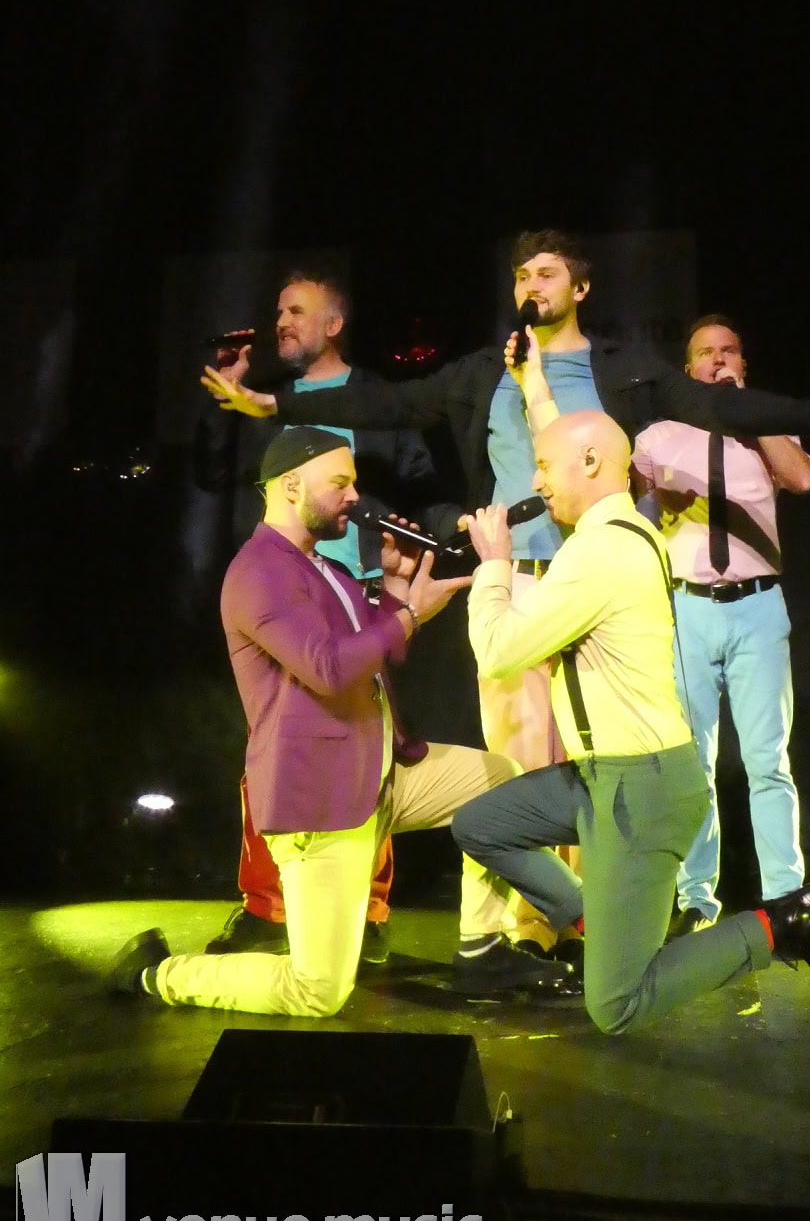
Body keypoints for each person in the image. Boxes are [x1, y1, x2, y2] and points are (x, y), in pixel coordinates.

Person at [200, 230, 810, 964]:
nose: (530, 286)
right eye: (521, 275)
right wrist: (271, 403)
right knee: (511, 764)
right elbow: (390, 403)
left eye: (545, 273)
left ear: (579, 288)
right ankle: (500, 936)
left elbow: (715, 405)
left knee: (588, 768)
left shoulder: (622, 370)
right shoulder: (486, 371)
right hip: (516, 579)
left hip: (595, 584)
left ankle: (576, 924)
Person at [109, 428, 572, 1015]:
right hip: (322, 796)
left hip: (380, 772)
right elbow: (328, 668)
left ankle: (482, 949)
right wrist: (408, 616)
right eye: (340, 483)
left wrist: (397, 590)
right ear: (290, 486)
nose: (355, 496)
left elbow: (374, 654)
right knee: (318, 992)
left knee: (500, 783)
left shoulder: (322, 567)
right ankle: (157, 975)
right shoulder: (259, 571)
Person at [450, 410, 810, 1034]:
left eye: (546, 465)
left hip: (638, 786)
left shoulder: (604, 551)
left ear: (590, 462)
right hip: (599, 776)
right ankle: (599, 920)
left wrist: (493, 566)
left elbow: (499, 651)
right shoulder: (622, 536)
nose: (536, 480)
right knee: (481, 825)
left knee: (616, 1005)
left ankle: (788, 924)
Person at [195, 269, 457, 963]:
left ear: (333, 324)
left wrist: (417, 542)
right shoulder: (266, 400)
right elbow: (217, 477)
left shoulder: (375, 399)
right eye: (279, 310)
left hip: (360, 588)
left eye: (297, 311)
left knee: (369, 748)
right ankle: (267, 907)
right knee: (272, 749)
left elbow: (417, 481)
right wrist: (228, 401)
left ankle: (367, 910)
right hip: (284, 592)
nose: (281, 322)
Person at [632, 314, 810, 937]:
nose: (717, 360)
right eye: (705, 353)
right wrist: (655, 497)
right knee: (694, 764)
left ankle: (785, 899)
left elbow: (803, 478)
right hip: (687, 608)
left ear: (742, 363)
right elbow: (630, 511)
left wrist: (750, 413)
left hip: (757, 607)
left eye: (728, 351)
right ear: (687, 370)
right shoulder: (660, 436)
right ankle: (696, 899)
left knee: (768, 761)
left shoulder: (766, 429)